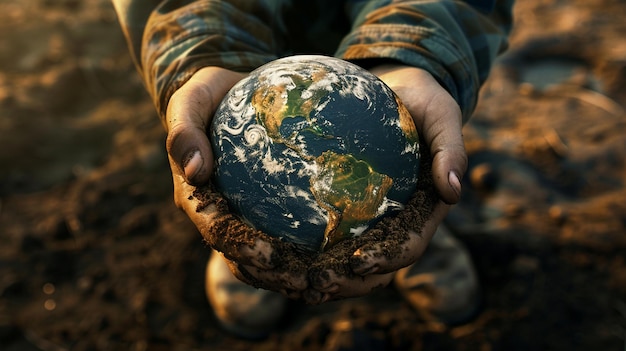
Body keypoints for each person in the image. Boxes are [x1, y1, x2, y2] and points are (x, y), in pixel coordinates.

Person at [112, 0, 514, 339]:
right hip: (250, 72)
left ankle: (404, 218)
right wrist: (206, 55)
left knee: (412, 145)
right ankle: (252, 219)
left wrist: (412, 53)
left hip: (375, 77)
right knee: (241, 155)